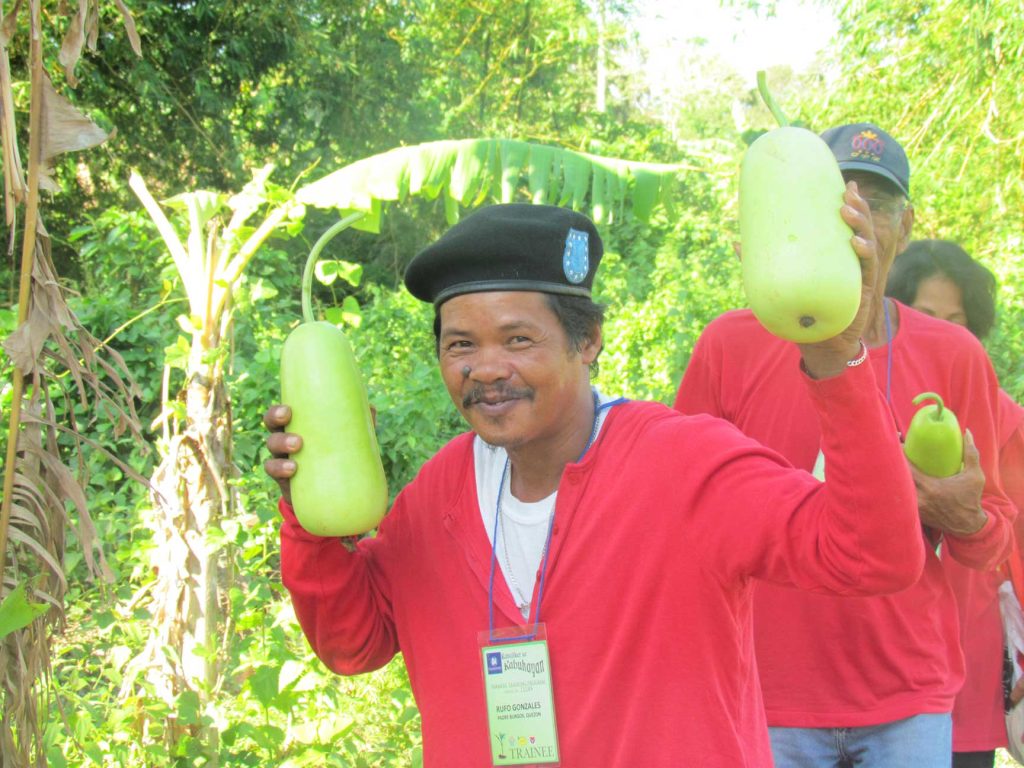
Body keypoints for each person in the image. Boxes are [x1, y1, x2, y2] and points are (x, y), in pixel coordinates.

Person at [265, 202, 925, 767]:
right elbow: (354, 642)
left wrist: (838, 361)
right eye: (460, 346)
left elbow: (876, 553)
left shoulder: (685, 463)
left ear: (588, 343)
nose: (486, 369)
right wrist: (308, 510)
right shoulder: (439, 495)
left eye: (518, 339)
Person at [674, 124, 1016, 767]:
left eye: (879, 205)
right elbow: (682, 513)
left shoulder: (954, 355)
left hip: (907, 699)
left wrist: (960, 513)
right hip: (766, 696)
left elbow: (993, 536)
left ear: (905, 226)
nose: (857, 215)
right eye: (842, 195)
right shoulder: (729, 345)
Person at [887, 238, 1024, 768]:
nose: (943, 331)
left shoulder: (1007, 424)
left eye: (957, 319)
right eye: (926, 315)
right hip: (879, 673)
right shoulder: (862, 401)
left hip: (972, 661)